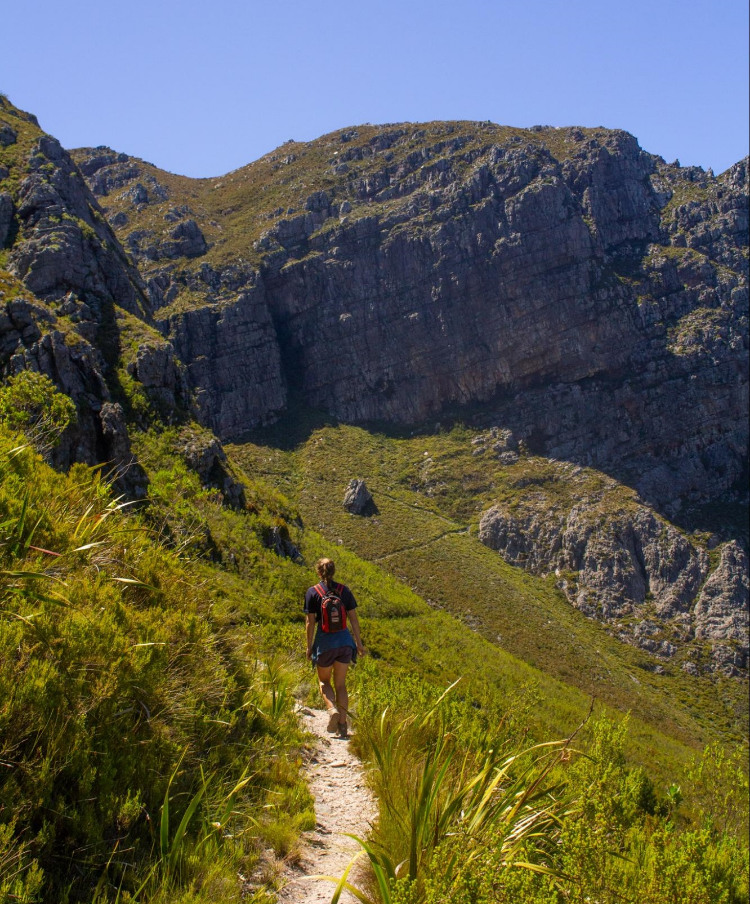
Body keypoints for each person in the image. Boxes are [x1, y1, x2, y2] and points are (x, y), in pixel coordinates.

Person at [304, 557, 364, 738]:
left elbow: (310, 622)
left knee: (324, 682)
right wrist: (359, 644)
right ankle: (343, 725)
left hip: (325, 644)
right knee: (341, 685)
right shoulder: (344, 591)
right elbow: (353, 619)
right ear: (333, 571)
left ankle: (332, 710)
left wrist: (309, 647)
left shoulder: (312, 593)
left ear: (318, 572)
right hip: (345, 642)